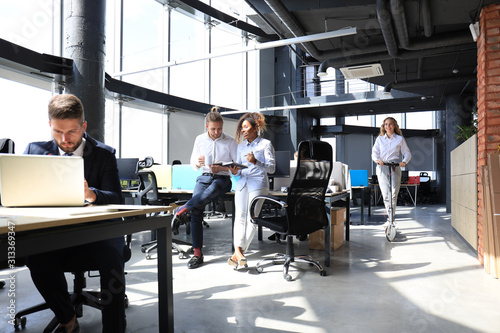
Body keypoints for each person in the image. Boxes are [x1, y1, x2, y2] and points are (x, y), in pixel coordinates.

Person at [24, 94, 126, 333]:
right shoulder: (34, 151)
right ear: (50, 125)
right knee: (34, 254)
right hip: (55, 233)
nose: (65, 139)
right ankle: (67, 317)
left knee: (112, 256)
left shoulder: (104, 154)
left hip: (96, 235)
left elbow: (116, 198)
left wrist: (92, 194)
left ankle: (115, 328)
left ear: (84, 126)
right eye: (58, 131)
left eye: (72, 132)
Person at [173, 107, 238, 269]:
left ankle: (181, 210)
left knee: (213, 188)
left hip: (222, 179)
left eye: (220, 128)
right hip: (204, 177)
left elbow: (237, 168)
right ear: (206, 127)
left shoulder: (230, 141)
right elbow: (193, 163)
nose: (217, 132)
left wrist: (221, 169)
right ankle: (197, 253)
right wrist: (198, 162)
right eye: (213, 129)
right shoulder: (200, 140)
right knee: (196, 210)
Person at [228, 112, 275, 269]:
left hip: (258, 184)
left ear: (256, 128)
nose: (243, 130)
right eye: (242, 128)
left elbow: (272, 168)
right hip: (242, 183)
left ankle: (238, 253)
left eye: (246, 127)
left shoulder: (265, 144)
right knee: (239, 218)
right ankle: (239, 253)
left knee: (251, 219)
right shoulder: (241, 147)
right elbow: (239, 169)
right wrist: (234, 171)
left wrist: (256, 161)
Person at [371, 116, 411, 222]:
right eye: (386, 124)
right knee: (385, 193)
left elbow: (407, 152)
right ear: (383, 126)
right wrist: (377, 160)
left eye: (390, 124)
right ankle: (390, 216)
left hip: (395, 167)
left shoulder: (399, 139)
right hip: (382, 166)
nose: (388, 126)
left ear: (394, 126)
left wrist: (404, 162)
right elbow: (374, 152)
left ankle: (391, 217)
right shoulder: (379, 139)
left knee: (394, 192)